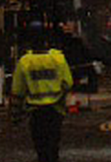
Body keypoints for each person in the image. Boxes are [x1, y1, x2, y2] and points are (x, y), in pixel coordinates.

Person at [10, 21, 74, 162]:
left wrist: (15, 116)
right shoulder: (58, 59)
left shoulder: (25, 62)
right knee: (53, 144)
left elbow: (17, 91)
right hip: (55, 110)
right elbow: (68, 83)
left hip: (35, 111)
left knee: (41, 147)